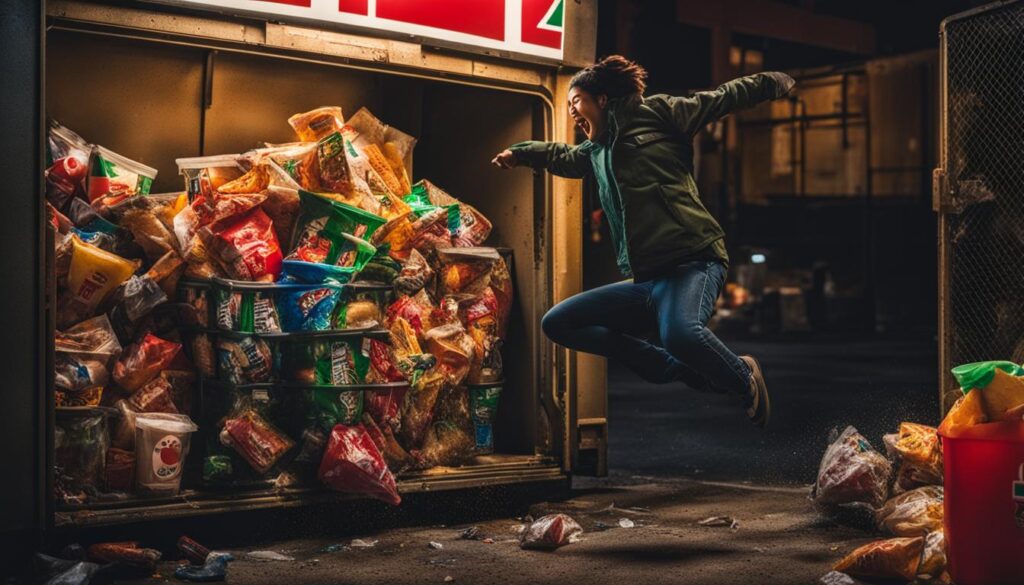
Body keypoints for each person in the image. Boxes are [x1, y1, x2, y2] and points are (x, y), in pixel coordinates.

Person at [492, 55, 795, 427]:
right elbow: (564, 157)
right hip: (649, 279)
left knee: (682, 336)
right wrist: (520, 154)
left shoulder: (657, 113)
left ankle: (742, 375)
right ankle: (672, 368)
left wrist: (772, 81)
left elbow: (720, 98)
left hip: (694, 260)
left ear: (602, 99)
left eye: (576, 101)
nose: (572, 111)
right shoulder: (596, 151)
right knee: (559, 322)